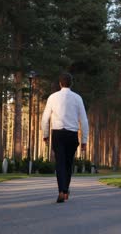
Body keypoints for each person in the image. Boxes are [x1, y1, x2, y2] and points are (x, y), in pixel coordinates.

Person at [41, 72, 89, 203]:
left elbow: (45, 118)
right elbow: (84, 120)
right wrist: (84, 140)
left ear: (60, 84)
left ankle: (61, 191)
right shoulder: (77, 98)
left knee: (60, 162)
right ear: (71, 83)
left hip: (58, 133)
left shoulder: (52, 97)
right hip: (72, 134)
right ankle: (66, 190)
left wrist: (45, 134)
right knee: (68, 163)